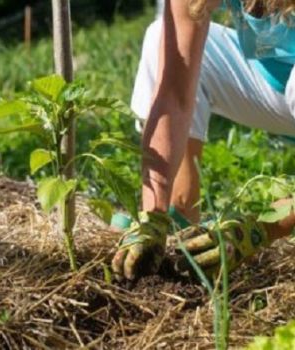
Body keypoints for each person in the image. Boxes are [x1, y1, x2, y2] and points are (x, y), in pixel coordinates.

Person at [112, 0, 295, 281]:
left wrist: (260, 229)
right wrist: (152, 215)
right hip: (275, 84)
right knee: (160, 37)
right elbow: (174, 92)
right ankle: (179, 214)